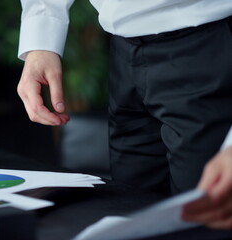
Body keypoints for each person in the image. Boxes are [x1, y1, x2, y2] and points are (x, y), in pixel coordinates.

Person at [17, 0, 232, 229]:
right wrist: (40, 39)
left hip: (206, 45)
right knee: (133, 221)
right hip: (123, 56)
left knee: (204, 221)